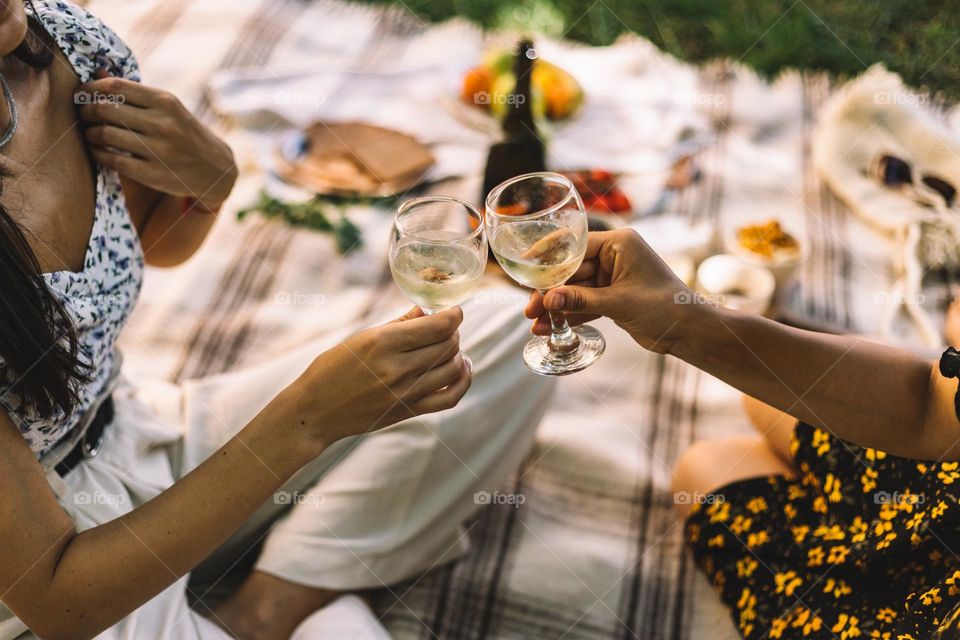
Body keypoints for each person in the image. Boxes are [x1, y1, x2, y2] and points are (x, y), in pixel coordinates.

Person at [0, 1, 553, 638]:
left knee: (505, 327)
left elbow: (147, 245)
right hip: (55, 570)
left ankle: (267, 607)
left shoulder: (58, 43)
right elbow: (56, 599)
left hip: (137, 428)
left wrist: (209, 184)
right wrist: (307, 420)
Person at [525, 228, 960, 639]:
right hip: (944, 495)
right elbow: (928, 407)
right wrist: (685, 322)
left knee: (703, 469)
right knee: (763, 400)